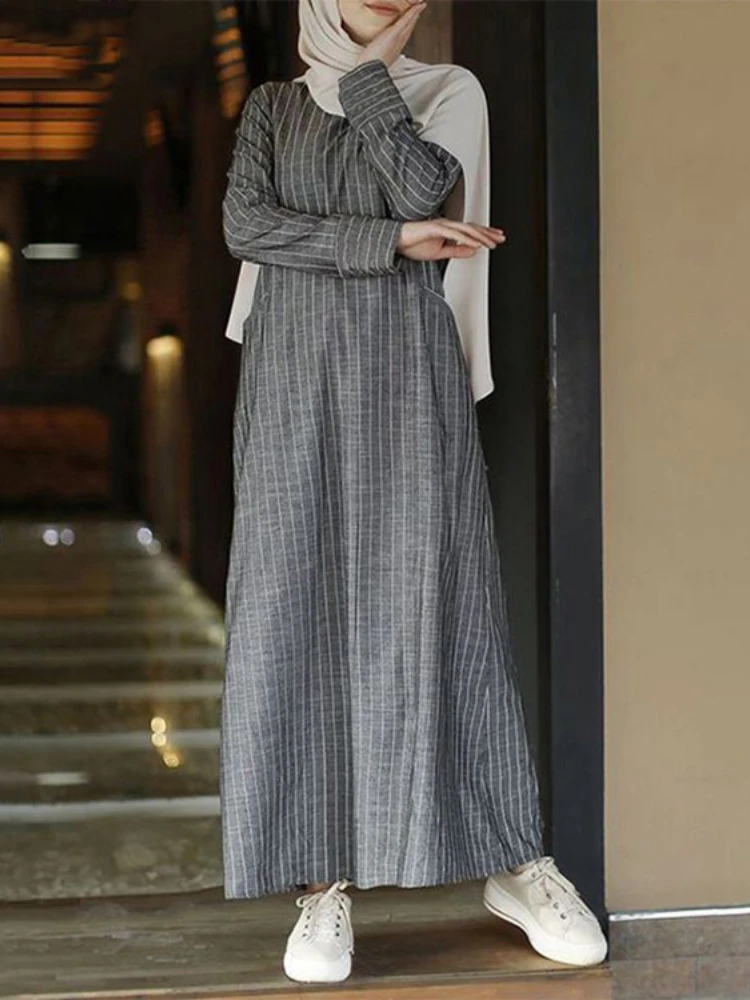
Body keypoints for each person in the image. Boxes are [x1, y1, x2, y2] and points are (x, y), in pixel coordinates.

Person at [219, 0, 608, 984]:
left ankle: (513, 859)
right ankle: (322, 884)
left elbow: (428, 184)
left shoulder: (448, 93)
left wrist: (368, 81)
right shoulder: (270, 106)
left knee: (447, 607)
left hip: (405, 373)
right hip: (290, 380)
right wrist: (390, 241)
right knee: (296, 612)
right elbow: (245, 225)